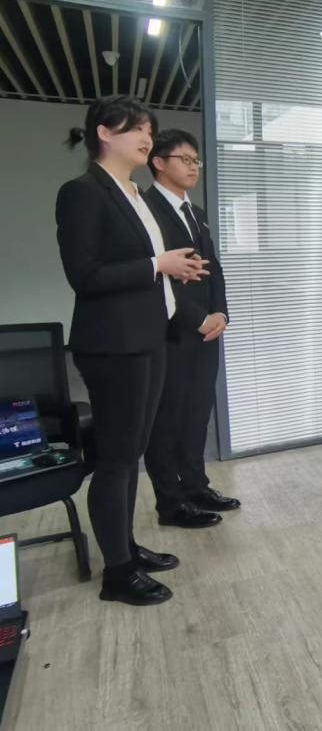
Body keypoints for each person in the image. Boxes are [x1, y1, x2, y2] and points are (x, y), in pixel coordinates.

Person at [55, 96, 208, 606]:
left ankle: (125, 547)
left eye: (149, 128)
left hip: (149, 338)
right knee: (117, 460)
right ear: (104, 132)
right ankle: (117, 574)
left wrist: (173, 269)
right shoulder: (82, 192)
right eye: (137, 128)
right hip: (113, 345)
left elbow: (148, 266)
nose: (147, 136)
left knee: (131, 454)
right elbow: (85, 274)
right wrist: (157, 265)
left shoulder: (136, 194)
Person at [143, 130, 240, 529]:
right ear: (158, 162)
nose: (193, 167)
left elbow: (212, 268)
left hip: (206, 329)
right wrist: (198, 318)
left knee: (198, 412)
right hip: (170, 330)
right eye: (184, 159)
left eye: (196, 160)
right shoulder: (145, 210)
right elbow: (159, 279)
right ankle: (171, 502)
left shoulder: (195, 212)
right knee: (168, 417)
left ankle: (196, 485)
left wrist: (220, 313)